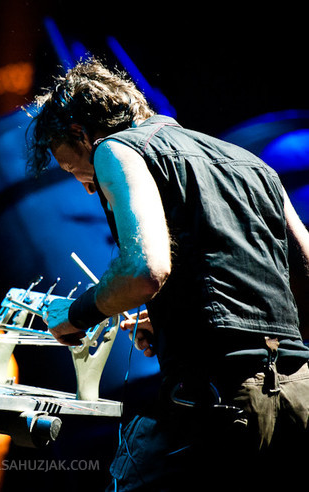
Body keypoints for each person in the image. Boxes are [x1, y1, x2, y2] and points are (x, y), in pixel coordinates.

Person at [26, 58, 309, 490]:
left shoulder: (115, 149)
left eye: (71, 167)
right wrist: (181, 316)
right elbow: (301, 274)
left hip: (222, 402)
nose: (85, 184)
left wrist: (78, 312)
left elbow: (145, 271)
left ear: (82, 134)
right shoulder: (250, 161)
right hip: (301, 398)